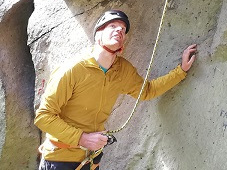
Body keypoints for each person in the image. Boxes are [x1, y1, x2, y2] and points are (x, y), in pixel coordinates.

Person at [34, 10, 197, 169]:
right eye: (112, 26)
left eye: (123, 29)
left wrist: (180, 71)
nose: (119, 29)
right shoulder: (73, 70)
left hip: (90, 160)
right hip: (59, 159)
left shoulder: (122, 70)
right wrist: (82, 138)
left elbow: (146, 91)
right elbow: (43, 116)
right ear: (98, 34)